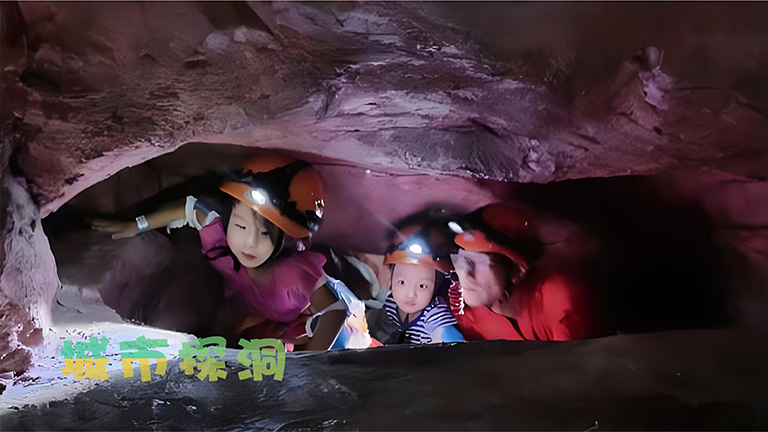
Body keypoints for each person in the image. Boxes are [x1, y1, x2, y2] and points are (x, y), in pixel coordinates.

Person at [92, 153, 364, 350]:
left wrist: (311, 363)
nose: (249, 242)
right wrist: (133, 226)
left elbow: (335, 310)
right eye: (241, 226)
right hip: (253, 320)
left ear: (287, 239)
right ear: (229, 216)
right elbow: (192, 208)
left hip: (308, 326)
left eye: (266, 234)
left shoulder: (293, 273)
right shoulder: (221, 247)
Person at [447, 203, 598, 341]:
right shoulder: (467, 316)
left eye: (475, 263)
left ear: (517, 269)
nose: (464, 274)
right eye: (460, 261)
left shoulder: (557, 297)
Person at [373, 222, 464, 345]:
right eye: (401, 282)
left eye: (422, 286)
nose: (410, 295)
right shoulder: (391, 303)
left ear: (436, 286)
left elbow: (451, 340)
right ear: (391, 280)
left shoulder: (433, 313)